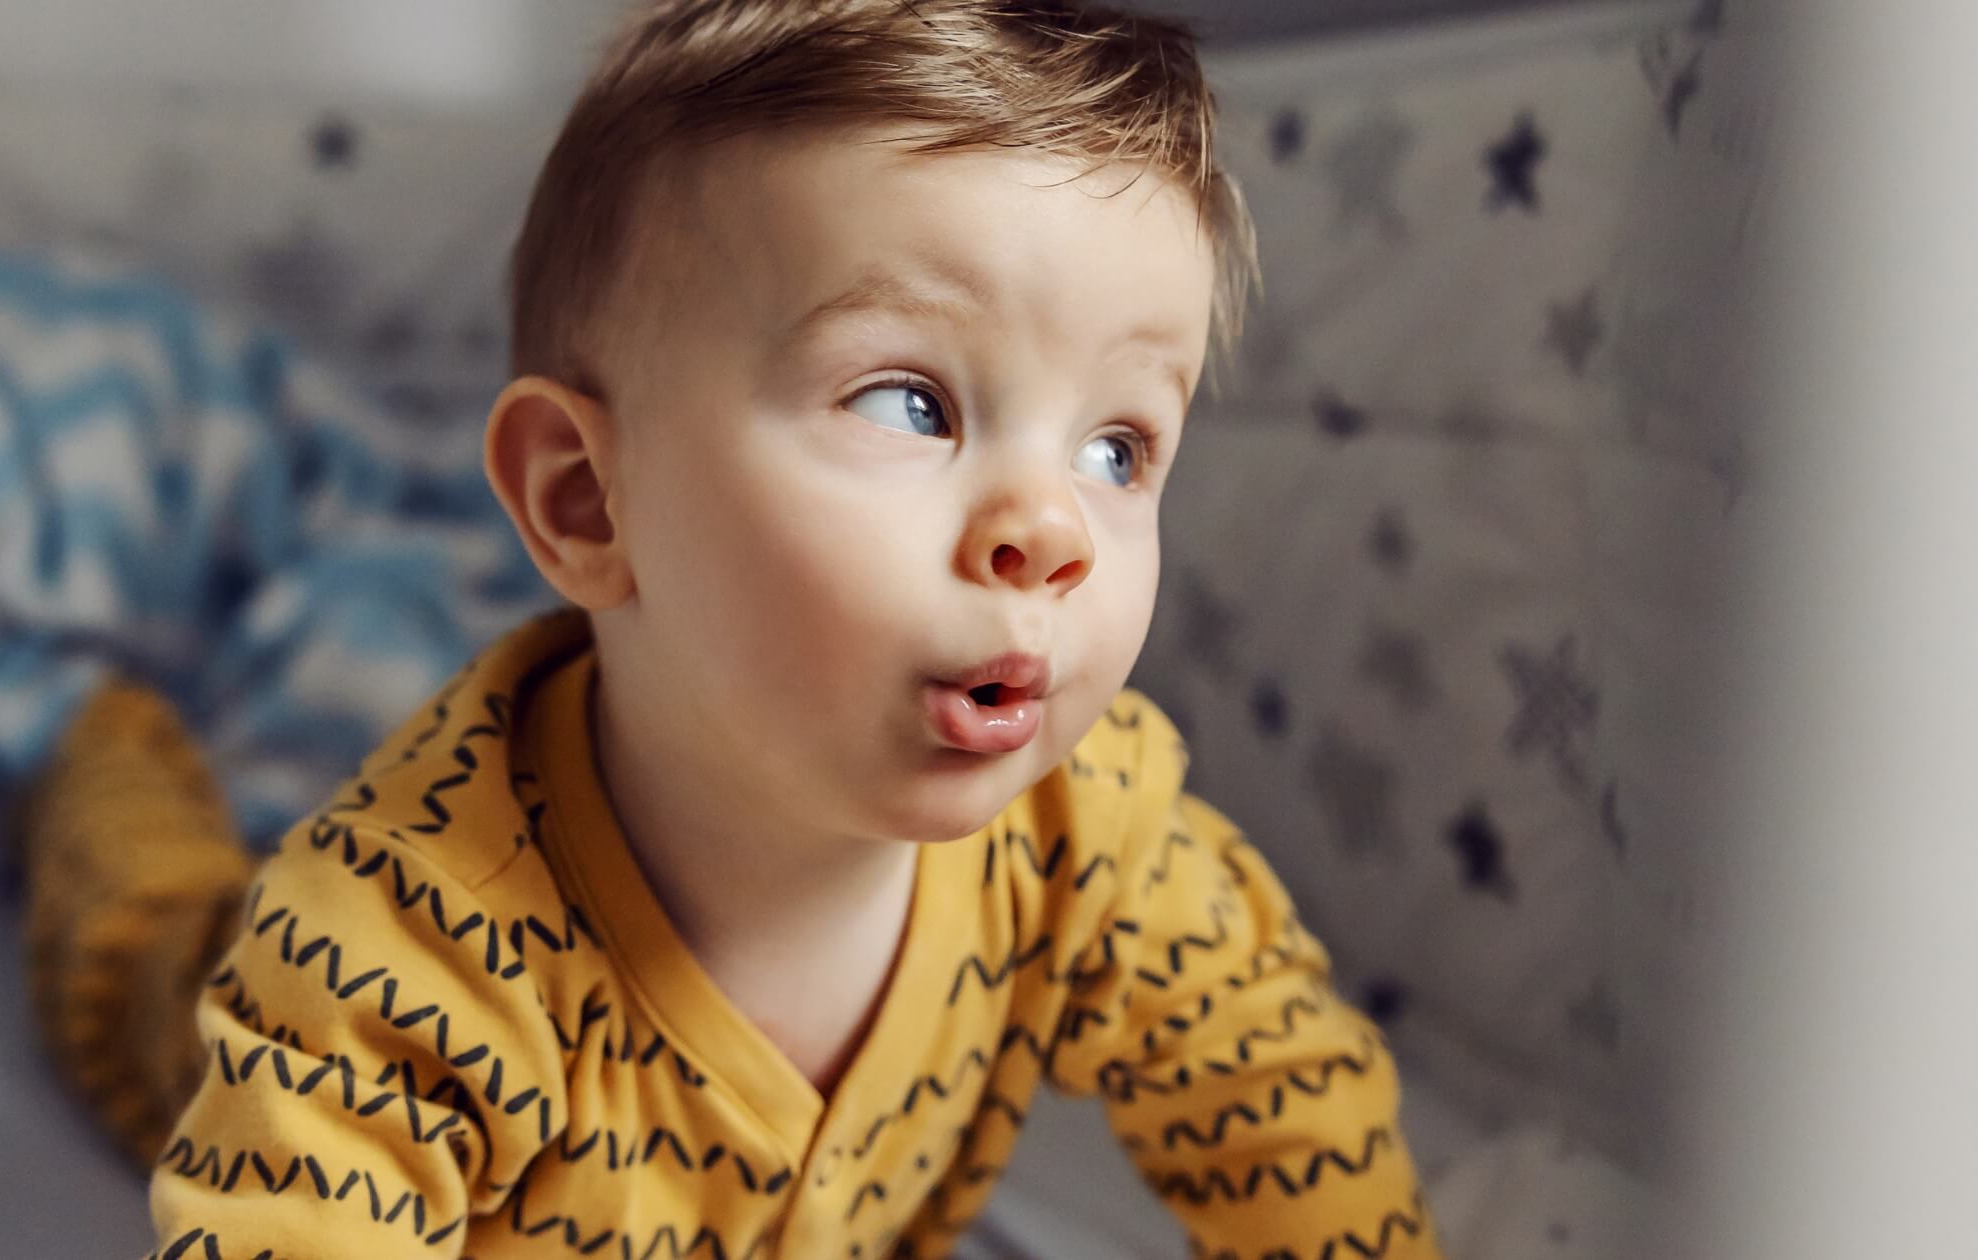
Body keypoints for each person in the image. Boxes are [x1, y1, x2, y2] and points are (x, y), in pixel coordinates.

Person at [143, 2, 1438, 1255]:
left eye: (1117, 447)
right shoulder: (398, 950)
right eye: (910, 403)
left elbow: (1284, 1106)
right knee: (142, 907)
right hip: (202, 1013)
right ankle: (116, 753)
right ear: (588, 498)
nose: (1055, 531)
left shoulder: (1084, 838)